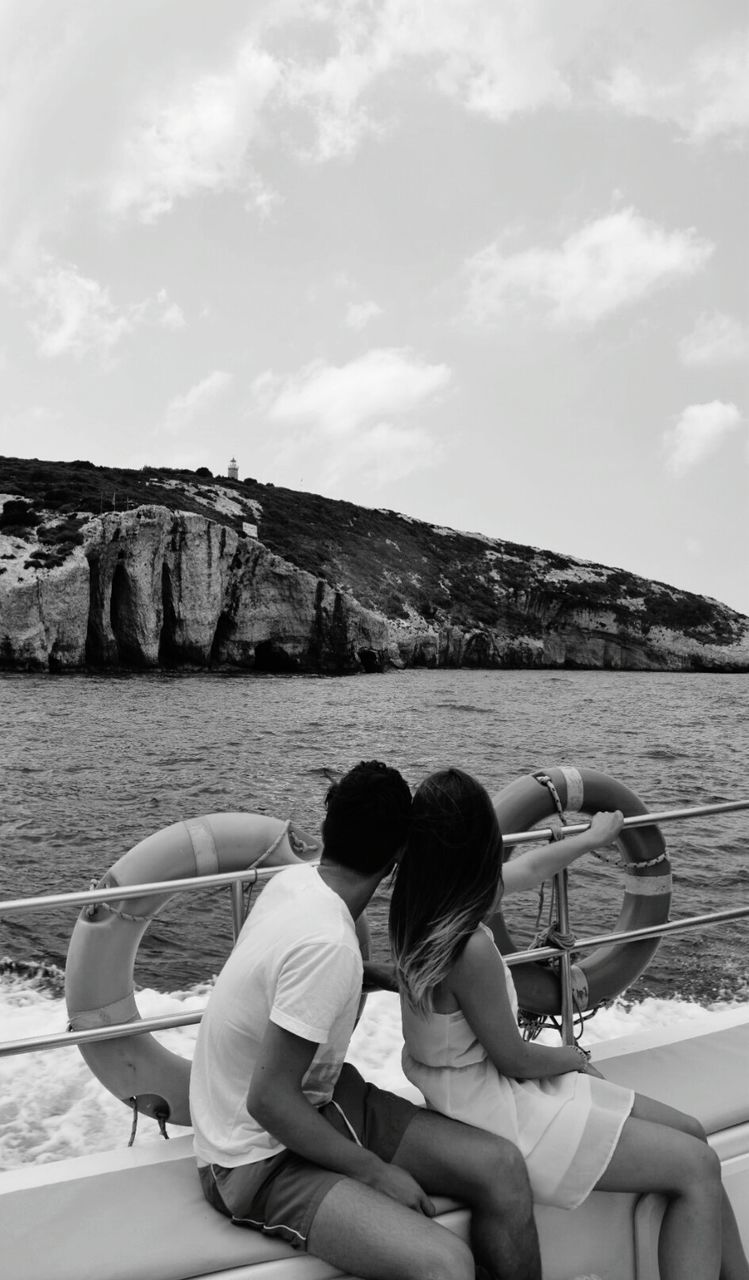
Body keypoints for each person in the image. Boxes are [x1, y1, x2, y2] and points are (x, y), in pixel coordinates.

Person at [389, 767, 749, 1280]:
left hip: (477, 1090)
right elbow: (515, 1059)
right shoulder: (468, 948)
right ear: (481, 846)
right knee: (696, 1168)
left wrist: (591, 839)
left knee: (691, 1132)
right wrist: (575, 1059)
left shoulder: (419, 908)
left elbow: (532, 867)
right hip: (501, 1110)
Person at [190, 760, 542, 1280]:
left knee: (504, 1169)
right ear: (399, 853)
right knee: (445, 1265)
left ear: (330, 828)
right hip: (250, 1158)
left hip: (323, 1102)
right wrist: (376, 1174)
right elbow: (267, 1100)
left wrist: (378, 974)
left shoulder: (295, 883)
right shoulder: (329, 946)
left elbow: (293, 985)